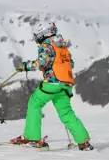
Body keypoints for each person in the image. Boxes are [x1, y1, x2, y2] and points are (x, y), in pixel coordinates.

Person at [11, 22, 92, 150]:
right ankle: (84, 142)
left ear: (44, 33)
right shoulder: (62, 46)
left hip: (53, 82)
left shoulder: (47, 44)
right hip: (66, 85)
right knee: (66, 112)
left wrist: (25, 66)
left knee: (34, 102)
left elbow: (42, 62)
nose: (37, 38)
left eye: (37, 34)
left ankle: (32, 138)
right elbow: (71, 63)